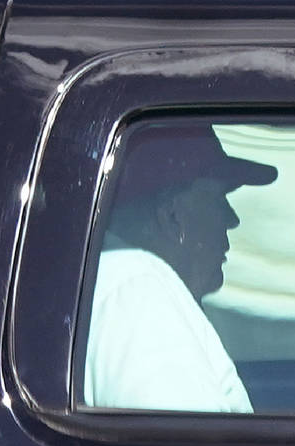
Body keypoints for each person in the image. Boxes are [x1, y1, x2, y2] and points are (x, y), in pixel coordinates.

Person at [83, 122, 276, 412]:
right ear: (173, 217)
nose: (232, 219)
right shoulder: (138, 289)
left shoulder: (113, 282)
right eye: (218, 199)